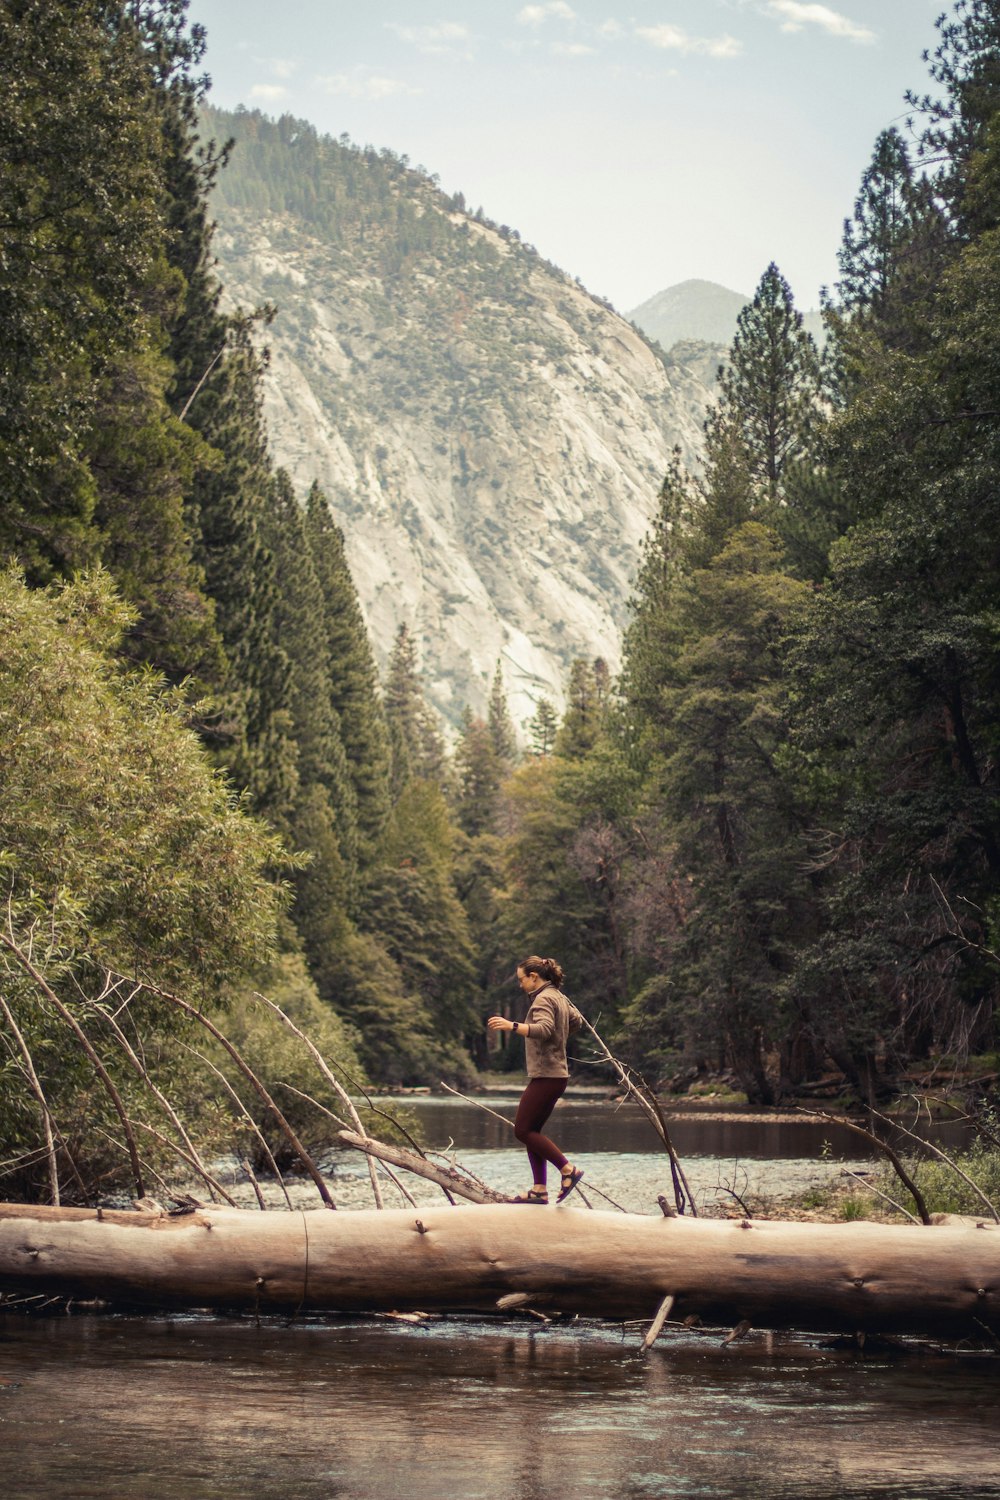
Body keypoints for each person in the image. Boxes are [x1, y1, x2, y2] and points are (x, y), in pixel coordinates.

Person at [487, 955, 585, 1205]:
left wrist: (512, 1026)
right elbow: (577, 1021)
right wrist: (559, 1036)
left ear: (534, 977)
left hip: (547, 1075)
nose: (520, 985)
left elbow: (544, 1029)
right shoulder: (558, 996)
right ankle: (539, 1190)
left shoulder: (543, 998)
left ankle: (568, 1170)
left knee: (522, 1130)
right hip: (556, 1075)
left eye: (522, 980)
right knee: (532, 1131)